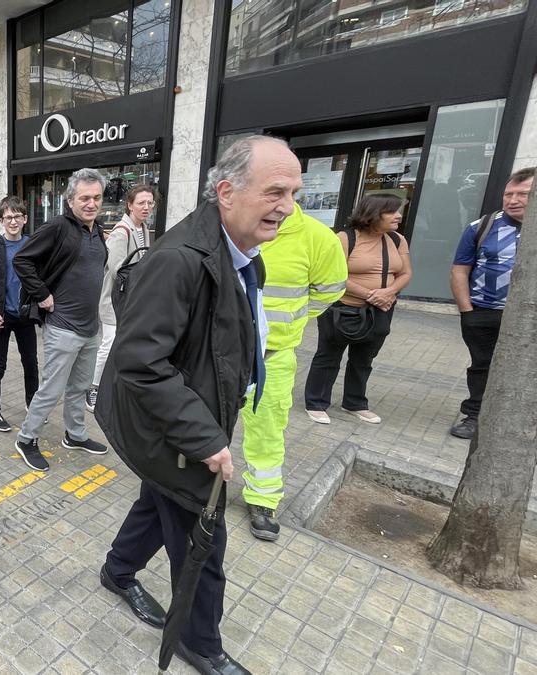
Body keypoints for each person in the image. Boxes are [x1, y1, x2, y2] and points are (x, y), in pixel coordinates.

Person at [96, 135, 299, 675]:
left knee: (157, 502)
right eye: (275, 191)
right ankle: (198, 643)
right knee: (202, 543)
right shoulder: (181, 259)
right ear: (227, 192)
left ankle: (117, 572)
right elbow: (139, 362)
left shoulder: (239, 251)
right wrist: (207, 439)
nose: (287, 206)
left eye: (294, 192)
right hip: (173, 431)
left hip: (189, 421)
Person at [239, 203, 347, 542]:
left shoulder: (317, 238)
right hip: (219, 354)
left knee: (268, 428)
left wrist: (289, 322)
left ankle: (262, 498)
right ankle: (194, 486)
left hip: (273, 355)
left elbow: (330, 290)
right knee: (204, 420)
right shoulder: (231, 226)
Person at [12, 168, 110, 472]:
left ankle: (76, 435)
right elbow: (22, 259)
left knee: (80, 387)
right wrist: (41, 294)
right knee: (51, 390)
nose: (91, 203)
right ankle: (26, 439)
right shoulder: (58, 227)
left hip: (91, 328)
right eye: (84, 198)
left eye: (96, 197)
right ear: (70, 201)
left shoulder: (98, 231)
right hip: (63, 326)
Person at [304, 194, 412, 425]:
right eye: (391, 211)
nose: (398, 216)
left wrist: (389, 292)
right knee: (329, 354)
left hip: (380, 310)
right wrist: (372, 295)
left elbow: (405, 273)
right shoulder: (345, 238)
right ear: (373, 213)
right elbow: (333, 275)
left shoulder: (397, 240)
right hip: (342, 308)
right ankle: (316, 402)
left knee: (364, 358)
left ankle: (354, 403)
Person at [449, 167, 533, 438]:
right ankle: (475, 416)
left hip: (529, 318)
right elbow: (460, 270)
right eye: (509, 193)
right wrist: (467, 311)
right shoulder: (481, 227)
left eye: (523, 194)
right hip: (483, 312)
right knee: (482, 365)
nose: (513, 199)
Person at [88, 184, 156, 413]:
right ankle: (93, 389)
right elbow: (117, 270)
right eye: (141, 203)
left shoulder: (143, 228)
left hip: (131, 300)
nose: (146, 207)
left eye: (150, 203)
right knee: (108, 345)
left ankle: (114, 386)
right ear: (129, 205)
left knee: (121, 344)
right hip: (113, 301)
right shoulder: (121, 232)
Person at [0, 196, 39, 432]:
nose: (13, 221)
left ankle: (32, 404)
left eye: (17, 216)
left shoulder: (32, 244)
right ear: (1, 220)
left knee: (31, 362)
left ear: (24, 219)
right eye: (8, 217)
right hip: (0, 317)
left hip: (24, 316)